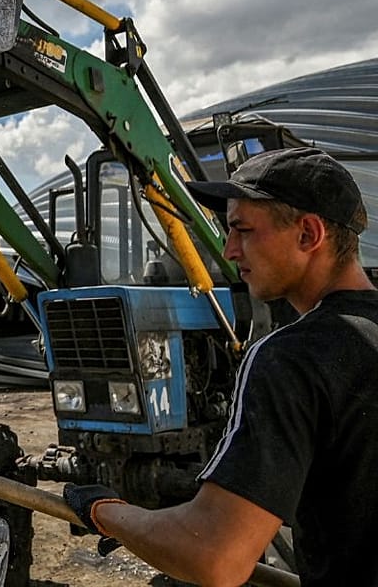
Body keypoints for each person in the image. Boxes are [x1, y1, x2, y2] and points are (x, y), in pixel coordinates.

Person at [63, 147, 376, 587]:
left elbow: (213, 555)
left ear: (308, 234)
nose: (229, 250)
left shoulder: (290, 358)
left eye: (242, 230)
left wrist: (106, 512)